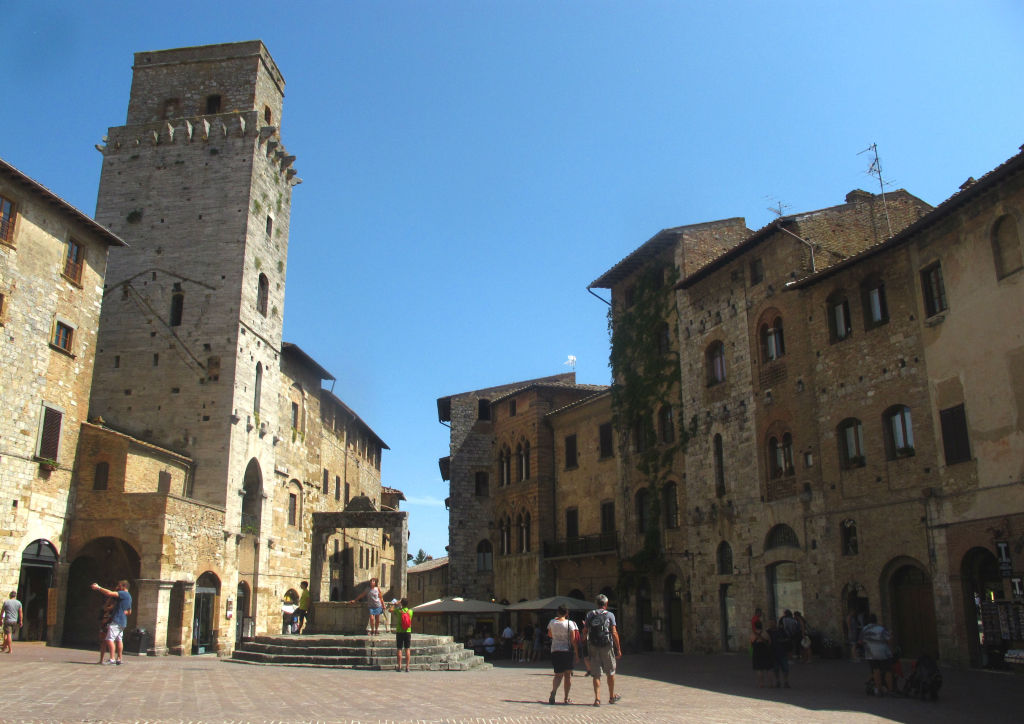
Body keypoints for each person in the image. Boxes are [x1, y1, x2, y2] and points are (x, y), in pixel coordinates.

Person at [583, 593, 622, 707]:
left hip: (594, 646)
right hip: (607, 646)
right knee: (610, 672)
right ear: (606, 604)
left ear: (597, 604)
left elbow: (584, 632)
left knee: (596, 674)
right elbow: (614, 632)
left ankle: (597, 699)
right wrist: (618, 649)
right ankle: (611, 696)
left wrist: (584, 643)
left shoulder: (590, 614)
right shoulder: (610, 615)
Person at [91, 580, 131, 665]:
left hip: (117, 620)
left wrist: (98, 588)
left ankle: (112, 659)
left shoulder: (123, 594)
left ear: (124, 586)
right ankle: (119, 659)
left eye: (119, 586)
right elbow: (129, 611)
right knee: (119, 639)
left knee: (109, 639)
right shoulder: (129, 596)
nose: (118, 587)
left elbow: (109, 593)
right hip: (122, 621)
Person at [546, 604, 579, 705]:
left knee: (558, 675)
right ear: (567, 613)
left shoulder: (552, 622)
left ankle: (554, 691)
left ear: (558, 612)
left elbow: (550, 635)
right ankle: (566, 697)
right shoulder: (570, 624)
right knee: (568, 676)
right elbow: (573, 639)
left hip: (555, 650)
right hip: (567, 651)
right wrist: (577, 653)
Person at [859, 613, 895, 696]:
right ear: (876, 620)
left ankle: (879, 690)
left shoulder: (864, 629)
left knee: (876, 672)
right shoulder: (881, 629)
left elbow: (860, 642)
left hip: (871, 654)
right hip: (884, 653)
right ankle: (890, 690)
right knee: (888, 671)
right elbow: (890, 641)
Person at [767, 619, 791, 688]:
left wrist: (783, 640)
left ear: (776, 623)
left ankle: (786, 681)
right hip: (773, 653)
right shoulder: (768, 632)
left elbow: (788, 638)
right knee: (776, 669)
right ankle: (778, 681)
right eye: (770, 622)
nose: (772, 624)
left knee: (785, 668)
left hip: (782, 652)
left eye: (773, 622)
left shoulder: (781, 631)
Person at [750, 620, 773, 688]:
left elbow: (751, 645)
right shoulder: (766, 634)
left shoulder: (752, 635)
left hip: (757, 653)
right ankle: (770, 684)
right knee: (768, 669)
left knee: (759, 670)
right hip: (766, 653)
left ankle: (761, 683)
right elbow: (769, 642)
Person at [394, 597, 414, 672]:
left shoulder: (399, 611)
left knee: (399, 649)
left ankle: (399, 666)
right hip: (408, 631)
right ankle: (407, 667)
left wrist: (396, 603)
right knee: (407, 649)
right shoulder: (411, 611)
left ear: (401, 603)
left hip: (399, 631)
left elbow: (390, 610)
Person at [97, 594, 116, 663]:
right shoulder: (111, 598)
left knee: (113, 640)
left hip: (114, 620)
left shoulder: (121, 599)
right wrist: (112, 607)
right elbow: (105, 608)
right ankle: (101, 659)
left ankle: (113, 658)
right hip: (107, 620)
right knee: (104, 640)